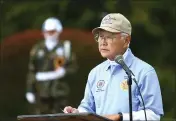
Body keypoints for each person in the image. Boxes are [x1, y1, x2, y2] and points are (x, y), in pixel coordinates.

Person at [63, 13, 164, 121]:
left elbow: (153, 115)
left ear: (126, 40)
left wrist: (120, 117)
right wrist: (77, 113)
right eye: (100, 37)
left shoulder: (144, 71)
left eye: (110, 37)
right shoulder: (95, 72)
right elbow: (87, 109)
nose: (103, 42)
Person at [25, 17, 78, 114]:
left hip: (60, 93)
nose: (49, 34)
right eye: (47, 32)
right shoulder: (37, 49)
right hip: (41, 93)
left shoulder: (65, 47)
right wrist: (30, 90)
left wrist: (64, 72)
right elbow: (32, 70)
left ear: (58, 31)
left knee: (61, 117)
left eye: (52, 32)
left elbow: (73, 68)